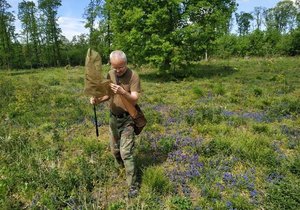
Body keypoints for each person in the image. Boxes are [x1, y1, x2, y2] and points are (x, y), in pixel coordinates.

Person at [90, 50, 140, 198]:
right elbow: (108, 94)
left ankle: (133, 186)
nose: (118, 70)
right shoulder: (110, 74)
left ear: (126, 63)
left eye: (121, 67)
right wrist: (97, 100)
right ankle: (121, 169)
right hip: (113, 118)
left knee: (126, 153)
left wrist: (122, 92)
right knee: (115, 151)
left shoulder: (133, 76)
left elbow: (135, 99)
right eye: (115, 67)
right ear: (111, 64)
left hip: (128, 119)